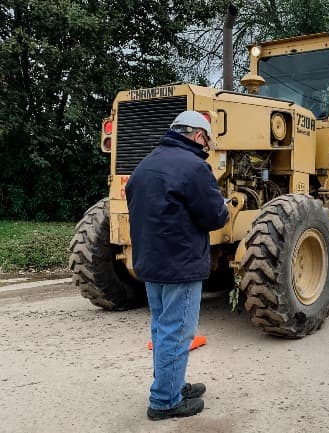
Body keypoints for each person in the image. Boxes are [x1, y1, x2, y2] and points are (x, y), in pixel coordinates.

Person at [126, 110, 229, 420]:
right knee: (177, 331)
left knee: (162, 328)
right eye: (207, 141)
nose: (207, 146)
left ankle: (172, 384)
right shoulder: (194, 167)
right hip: (180, 264)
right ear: (198, 135)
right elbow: (214, 217)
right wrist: (223, 206)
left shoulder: (146, 164)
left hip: (151, 261)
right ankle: (164, 401)